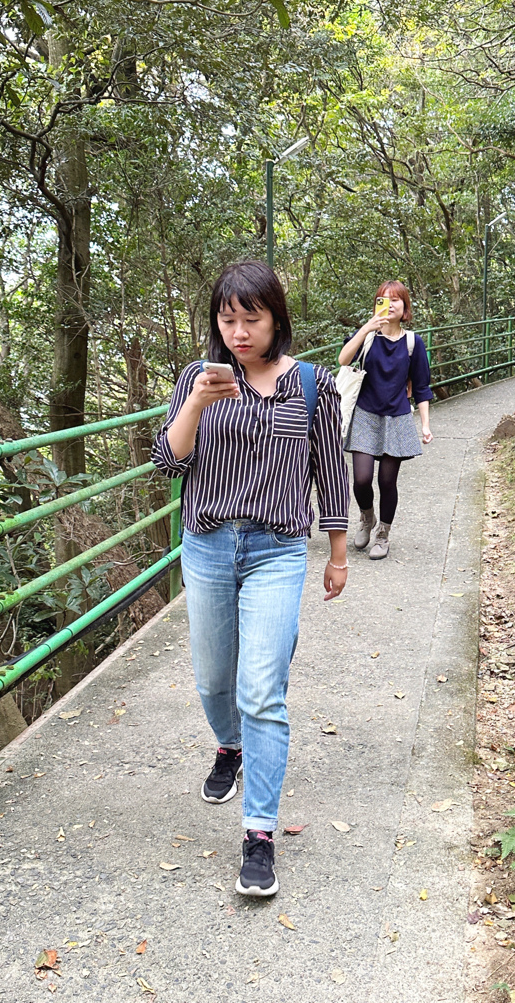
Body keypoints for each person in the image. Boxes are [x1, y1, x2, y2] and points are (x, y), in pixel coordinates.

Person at [151, 260, 349, 897]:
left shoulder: (311, 385)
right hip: (208, 544)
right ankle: (228, 746)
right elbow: (167, 461)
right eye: (227, 319)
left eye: (251, 319)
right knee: (215, 680)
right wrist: (199, 404)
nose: (238, 332)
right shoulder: (198, 379)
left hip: (278, 550)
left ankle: (258, 833)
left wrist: (338, 552)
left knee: (261, 688)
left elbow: (330, 469)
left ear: (275, 320)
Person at [337, 280, 433, 560]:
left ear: (405, 308)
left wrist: (425, 424)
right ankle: (367, 517)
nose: (390, 305)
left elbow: (422, 387)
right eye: (384, 299)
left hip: (398, 418)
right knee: (362, 479)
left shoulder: (414, 343)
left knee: (387, 482)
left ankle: (383, 534)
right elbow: (343, 360)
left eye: (396, 300)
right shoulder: (367, 337)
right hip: (366, 414)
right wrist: (367, 327)